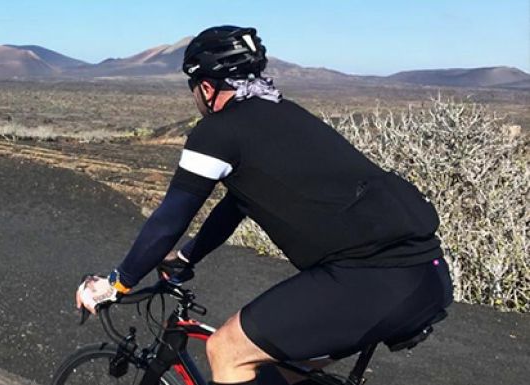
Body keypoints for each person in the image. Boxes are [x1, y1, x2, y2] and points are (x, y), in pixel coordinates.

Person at [75, 26, 454, 385]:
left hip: (370, 280)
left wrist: (116, 283)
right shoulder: (286, 116)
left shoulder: (218, 132)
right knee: (278, 371)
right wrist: (187, 258)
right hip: (426, 274)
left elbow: (169, 219)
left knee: (227, 351)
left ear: (206, 88)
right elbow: (237, 203)